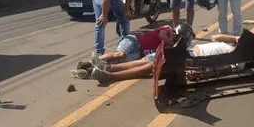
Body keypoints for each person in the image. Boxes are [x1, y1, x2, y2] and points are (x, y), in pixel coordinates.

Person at [89, 32, 241, 83]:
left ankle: (110, 76)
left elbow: (222, 69)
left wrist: (200, 74)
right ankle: (107, 67)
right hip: (186, 52)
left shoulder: (240, 59)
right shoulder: (232, 45)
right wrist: (235, 38)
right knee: (146, 59)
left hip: (192, 60)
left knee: (151, 65)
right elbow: (215, 37)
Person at [70, 25, 176, 78]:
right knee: (120, 54)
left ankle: (87, 71)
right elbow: (165, 33)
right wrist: (171, 38)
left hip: (138, 54)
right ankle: (92, 62)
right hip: (134, 41)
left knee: (118, 63)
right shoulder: (166, 31)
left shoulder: (168, 48)